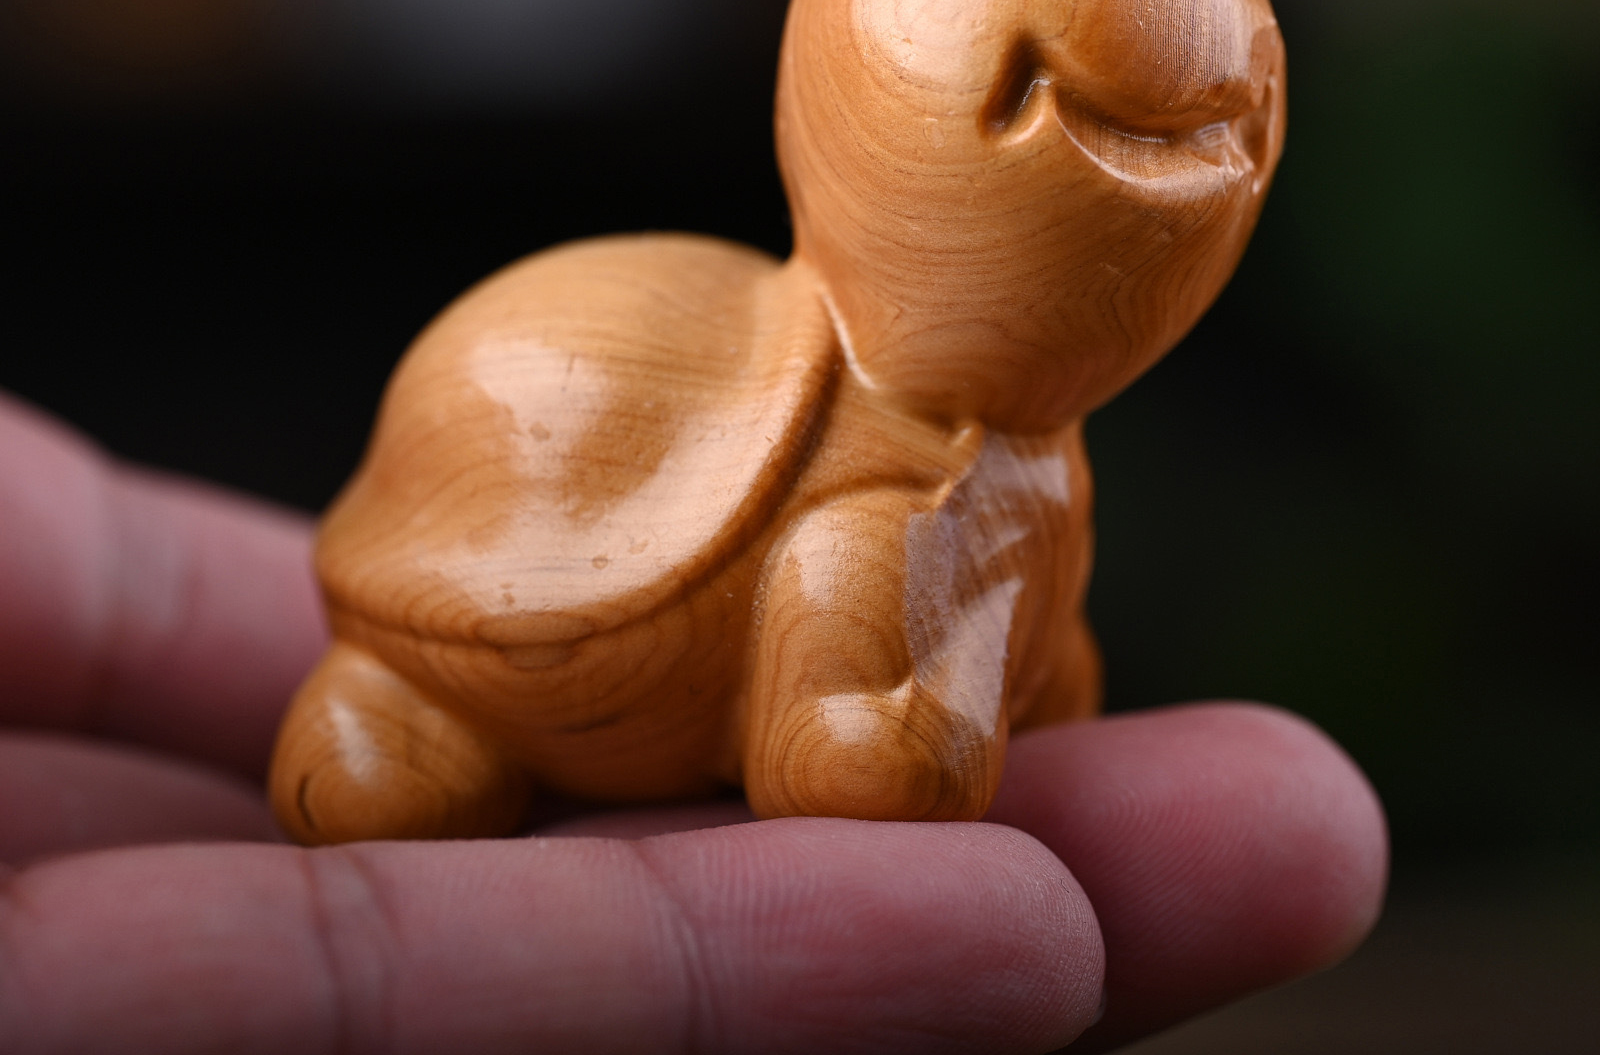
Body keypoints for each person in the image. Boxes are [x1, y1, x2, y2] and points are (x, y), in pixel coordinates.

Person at [0, 390, 1385, 1051]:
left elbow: (1035, 649)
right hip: (489, 618)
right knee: (382, 783)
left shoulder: (1017, 458)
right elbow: (846, 760)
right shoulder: (891, 494)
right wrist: (948, 686)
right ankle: (392, 701)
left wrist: (1016, 661)